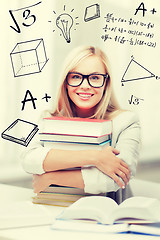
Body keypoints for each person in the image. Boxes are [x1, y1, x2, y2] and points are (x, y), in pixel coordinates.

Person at [21, 46, 141, 204]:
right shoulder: (49, 119)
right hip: (54, 208)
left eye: (95, 78)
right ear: (66, 82)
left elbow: (116, 178)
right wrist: (96, 157)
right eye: (76, 76)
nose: (85, 85)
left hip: (107, 216)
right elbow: (29, 159)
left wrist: (50, 177)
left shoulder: (127, 121)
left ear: (106, 83)